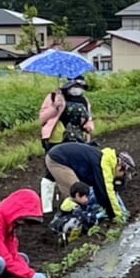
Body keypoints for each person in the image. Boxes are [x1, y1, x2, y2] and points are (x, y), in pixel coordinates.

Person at [38, 76, 94, 214]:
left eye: (80, 86)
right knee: (52, 172)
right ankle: (46, 208)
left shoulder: (83, 100)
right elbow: (42, 118)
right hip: (57, 139)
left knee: (74, 171)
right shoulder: (54, 97)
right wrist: (55, 107)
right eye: (75, 85)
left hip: (77, 139)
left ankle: (70, 202)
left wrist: (89, 126)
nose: (77, 89)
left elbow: (88, 118)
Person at [45, 142, 135, 224]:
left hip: (64, 157)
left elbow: (99, 190)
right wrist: (116, 216)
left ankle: (70, 219)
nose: (121, 177)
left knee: (77, 197)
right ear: (119, 167)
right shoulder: (101, 165)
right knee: (77, 193)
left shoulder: (105, 161)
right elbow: (106, 192)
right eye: (124, 174)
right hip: (58, 159)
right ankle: (64, 222)